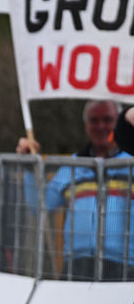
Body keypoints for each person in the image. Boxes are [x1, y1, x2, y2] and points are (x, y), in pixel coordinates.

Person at [16, 100, 134, 280]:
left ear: (119, 123)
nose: (100, 126)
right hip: (76, 265)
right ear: (86, 126)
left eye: (108, 119)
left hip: (126, 264)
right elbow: (39, 206)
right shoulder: (72, 165)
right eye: (94, 120)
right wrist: (30, 169)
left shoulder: (131, 162)